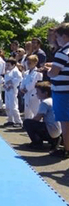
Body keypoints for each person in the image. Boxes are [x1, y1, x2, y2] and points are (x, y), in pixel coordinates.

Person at [46, 22, 69, 158]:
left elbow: (54, 73)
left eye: (58, 37)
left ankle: (66, 149)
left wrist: (48, 70)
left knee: (65, 122)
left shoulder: (62, 52)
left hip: (62, 91)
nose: (57, 40)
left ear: (64, 36)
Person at [23, 81, 62, 150]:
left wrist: (31, 123)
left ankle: (37, 143)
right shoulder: (54, 100)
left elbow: (37, 118)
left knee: (27, 123)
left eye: (38, 91)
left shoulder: (45, 102)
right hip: (58, 131)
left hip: (51, 131)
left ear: (45, 93)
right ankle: (55, 140)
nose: (36, 93)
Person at [20, 55, 43, 119]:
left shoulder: (38, 73)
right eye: (27, 63)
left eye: (30, 63)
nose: (28, 64)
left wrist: (26, 88)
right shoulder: (26, 72)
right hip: (26, 93)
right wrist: (22, 88)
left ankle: (37, 125)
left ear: (35, 63)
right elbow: (22, 81)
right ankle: (28, 125)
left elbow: (34, 83)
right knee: (27, 111)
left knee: (35, 111)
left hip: (34, 94)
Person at [3, 58, 23, 127]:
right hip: (7, 90)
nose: (7, 66)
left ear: (13, 65)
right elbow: (5, 80)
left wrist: (11, 82)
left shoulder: (16, 71)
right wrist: (5, 84)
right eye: (6, 65)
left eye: (8, 65)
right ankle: (10, 120)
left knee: (13, 106)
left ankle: (18, 121)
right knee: (7, 106)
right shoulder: (8, 71)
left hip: (13, 90)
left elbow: (19, 79)